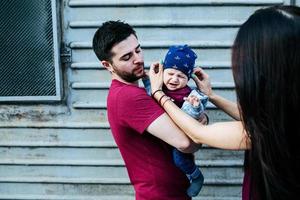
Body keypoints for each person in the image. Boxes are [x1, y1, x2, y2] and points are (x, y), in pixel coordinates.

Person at [148, 5, 300, 200]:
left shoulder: (269, 132)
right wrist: (210, 95)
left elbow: (198, 132)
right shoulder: (284, 117)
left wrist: (158, 93)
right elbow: (253, 118)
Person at [92, 20, 201, 200]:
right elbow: (186, 143)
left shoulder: (137, 91)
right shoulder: (128, 97)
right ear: (107, 65)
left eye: (138, 50)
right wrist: (199, 133)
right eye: (127, 57)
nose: (138, 59)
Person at [142, 44, 208, 197]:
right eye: (170, 73)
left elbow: (196, 114)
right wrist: (147, 80)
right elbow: (150, 92)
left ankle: (196, 176)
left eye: (181, 76)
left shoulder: (190, 94)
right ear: (163, 71)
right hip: (163, 134)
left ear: (188, 78)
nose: (174, 79)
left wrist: (196, 107)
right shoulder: (159, 87)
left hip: (181, 136)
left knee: (180, 159)